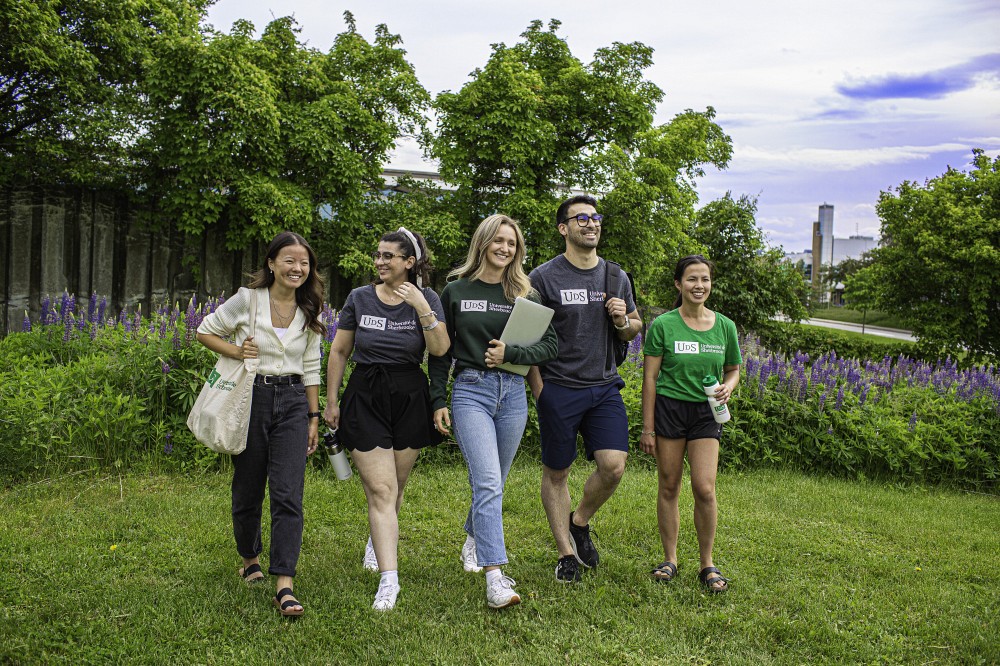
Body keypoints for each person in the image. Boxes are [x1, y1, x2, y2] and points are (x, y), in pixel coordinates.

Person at [429, 214, 558, 609]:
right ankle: (495, 577)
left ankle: (473, 537)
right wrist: (437, 399)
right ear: (483, 243)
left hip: (513, 394)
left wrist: (511, 353)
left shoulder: (525, 294)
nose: (505, 248)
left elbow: (550, 345)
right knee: (487, 482)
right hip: (471, 391)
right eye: (499, 240)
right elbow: (440, 351)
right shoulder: (455, 290)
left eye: (512, 243)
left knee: (494, 483)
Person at [196, 231, 325, 617]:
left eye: (304, 263)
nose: (297, 268)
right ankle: (249, 558)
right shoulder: (248, 300)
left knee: (289, 493)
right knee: (248, 488)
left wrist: (313, 416)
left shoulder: (310, 308)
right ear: (271, 263)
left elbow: (311, 366)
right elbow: (204, 330)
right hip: (251, 398)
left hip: (293, 402)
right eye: (289, 260)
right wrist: (237, 351)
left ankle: (284, 584)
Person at [323, 228, 449, 611]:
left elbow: (440, 349)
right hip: (366, 393)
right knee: (381, 489)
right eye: (378, 255)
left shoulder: (428, 298)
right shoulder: (359, 298)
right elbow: (339, 351)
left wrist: (420, 305)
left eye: (388, 256)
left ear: (409, 262)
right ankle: (389, 581)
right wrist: (332, 400)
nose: (379, 261)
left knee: (396, 485)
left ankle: (377, 539)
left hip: (409, 395)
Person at [527, 194, 641, 583]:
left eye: (595, 217)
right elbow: (528, 337)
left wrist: (623, 321)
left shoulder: (615, 275)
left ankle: (579, 522)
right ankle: (565, 555)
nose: (591, 224)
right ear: (564, 228)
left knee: (614, 466)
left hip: (604, 386)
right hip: (558, 387)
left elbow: (634, 326)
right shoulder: (543, 278)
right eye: (581, 218)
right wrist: (540, 390)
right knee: (557, 472)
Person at [639, 255, 741, 593]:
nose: (699, 285)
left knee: (704, 488)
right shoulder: (663, 325)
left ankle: (707, 563)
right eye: (692, 279)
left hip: (707, 412)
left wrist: (729, 386)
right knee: (669, 485)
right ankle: (670, 559)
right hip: (670, 410)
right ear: (678, 284)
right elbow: (650, 379)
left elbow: (733, 369)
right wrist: (648, 427)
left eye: (705, 279)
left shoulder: (725, 326)